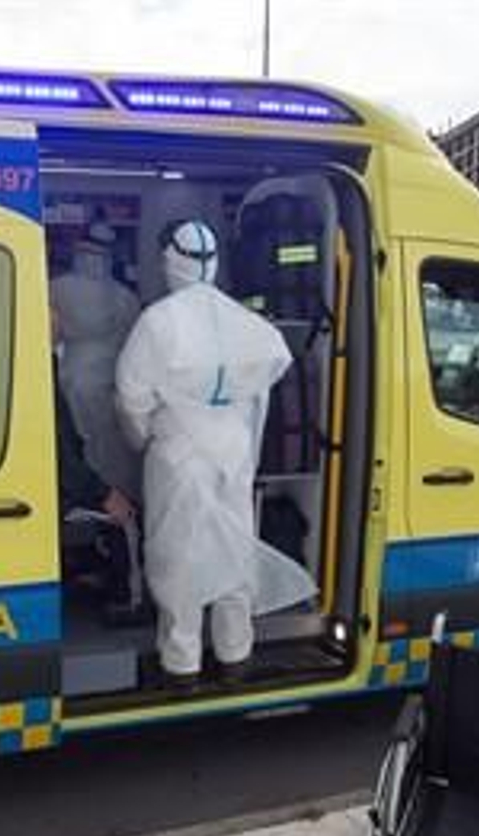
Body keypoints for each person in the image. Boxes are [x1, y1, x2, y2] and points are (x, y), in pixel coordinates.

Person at [116, 220, 316, 685]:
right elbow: (262, 394)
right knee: (233, 553)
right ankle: (234, 656)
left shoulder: (158, 321)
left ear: (169, 260)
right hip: (234, 452)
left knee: (177, 558)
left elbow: (131, 397)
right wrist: (243, 445)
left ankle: (182, 666)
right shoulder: (248, 323)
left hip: (178, 455)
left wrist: (142, 438)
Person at [51, 304, 142, 622]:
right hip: (57, 492)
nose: (57, 319)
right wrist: (102, 494)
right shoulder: (50, 375)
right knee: (125, 518)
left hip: (56, 481)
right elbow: (62, 456)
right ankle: (129, 603)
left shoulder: (53, 367)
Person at [50, 221, 142, 501]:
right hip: (113, 380)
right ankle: (117, 499)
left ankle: (91, 497)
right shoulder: (127, 296)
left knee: (78, 442)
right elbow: (134, 344)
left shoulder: (55, 288)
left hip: (71, 377)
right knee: (111, 447)